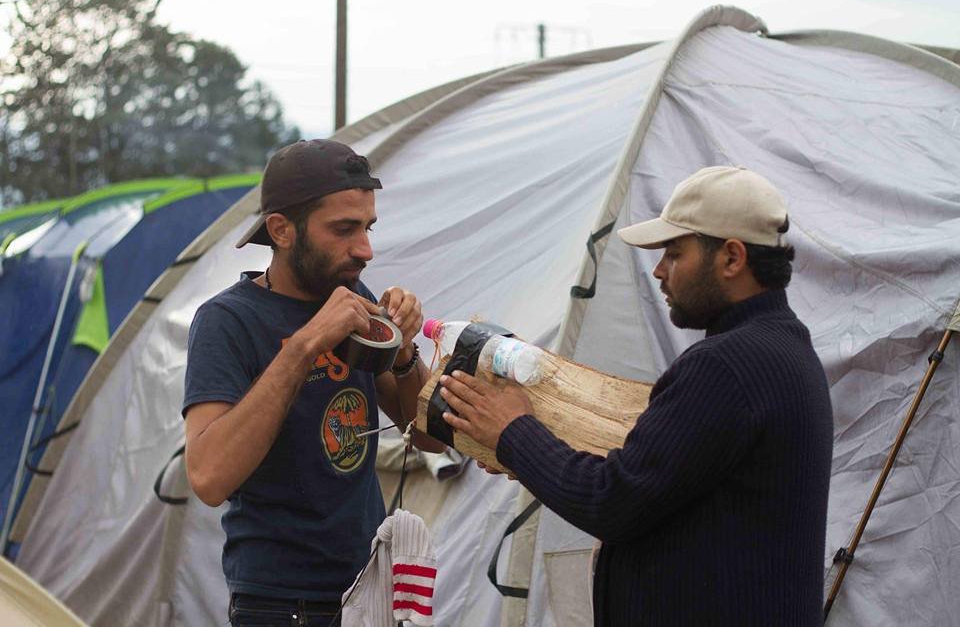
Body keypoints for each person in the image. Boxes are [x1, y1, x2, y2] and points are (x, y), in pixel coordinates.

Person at [440, 166, 834, 626]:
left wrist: (515, 433)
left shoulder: (726, 365)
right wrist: (539, 451)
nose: (660, 270)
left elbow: (612, 500)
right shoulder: (786, 349)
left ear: (731, 258)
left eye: (675, 253)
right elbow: (667, 483)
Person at [182, 139, 443, 627]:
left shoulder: (351, 295)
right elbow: (209, 478)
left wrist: (405, 352)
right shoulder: (227, 321)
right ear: (281, 230)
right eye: (344, 229)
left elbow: (429, 438)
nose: (364, 249)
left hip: (368, 590)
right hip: (281, 607)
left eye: (367, 227)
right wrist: (304, 346)